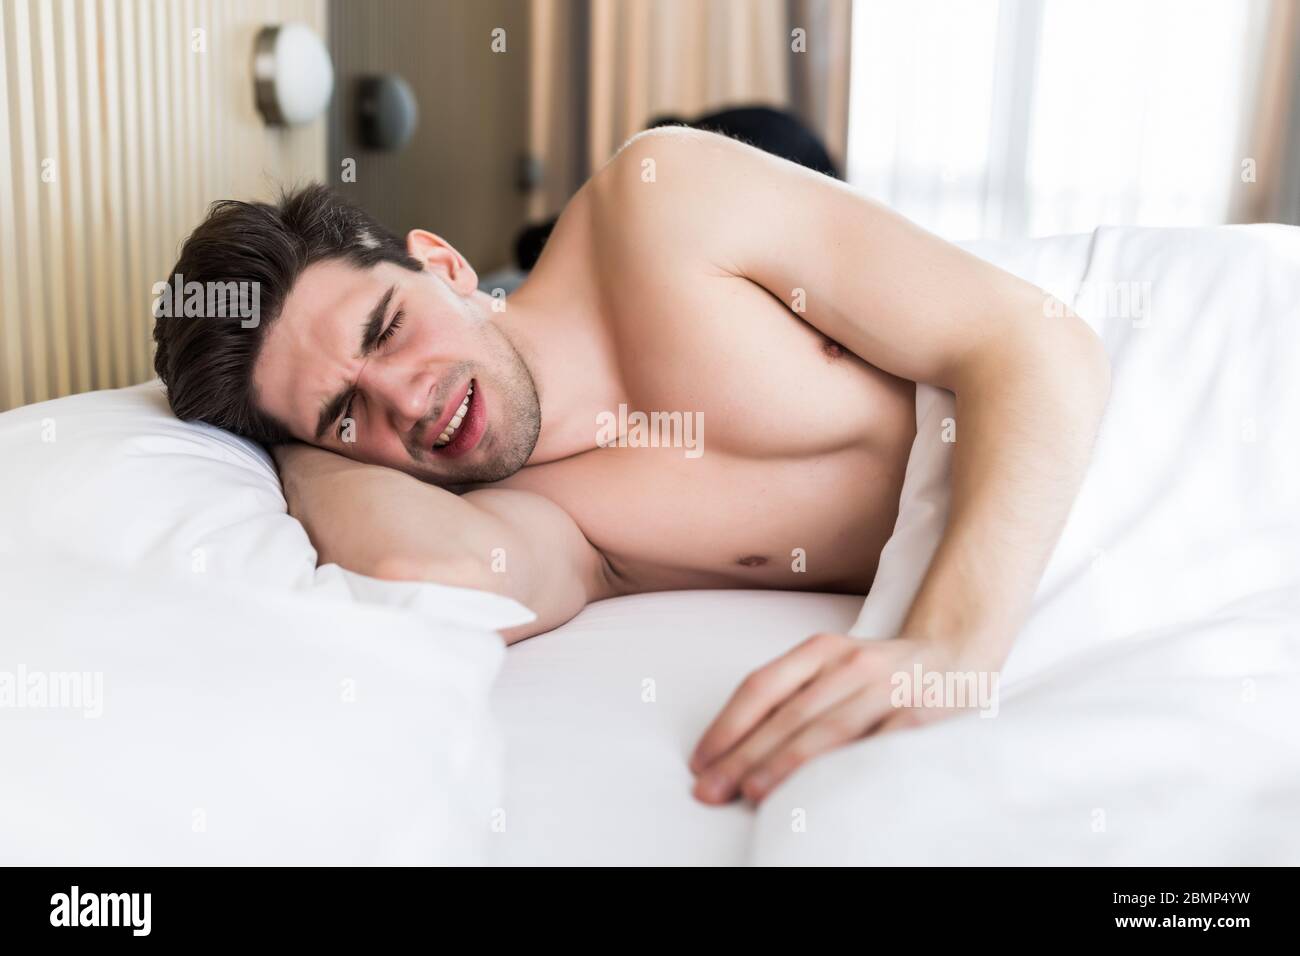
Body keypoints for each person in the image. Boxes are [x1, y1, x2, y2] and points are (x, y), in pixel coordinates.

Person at [152, 127, 1110, 805]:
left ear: (445, 266)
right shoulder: (551, 520)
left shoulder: (659, 206)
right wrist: (294, 447)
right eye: (346, 412)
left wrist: (946, 653)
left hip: (1103, 418)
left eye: (386, 329)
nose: (404, 398)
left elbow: (1032, 347)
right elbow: (424, 574)